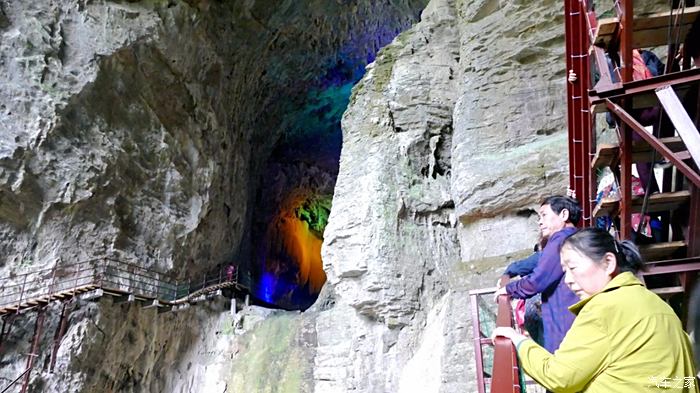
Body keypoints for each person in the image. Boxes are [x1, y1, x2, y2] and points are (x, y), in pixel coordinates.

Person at [493, 228, 699, 393]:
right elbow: (681, 380)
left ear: (609, 263)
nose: (568, 280)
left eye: (572, 268)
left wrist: (519, 341)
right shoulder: (658, 304)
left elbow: (559, 377)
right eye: (564, 272)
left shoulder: (604, 308)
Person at [494, 196, 581, 353]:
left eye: (544, 215)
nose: (540, 222)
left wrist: (508, 289)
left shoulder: (560, 240)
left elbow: (537, 281)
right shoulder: (575, 238)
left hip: (564, 320)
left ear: (564, 215)